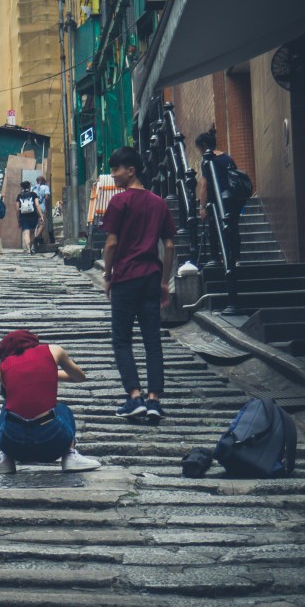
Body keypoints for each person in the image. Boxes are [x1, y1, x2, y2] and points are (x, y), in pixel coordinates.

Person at [101, 147, 177, 423]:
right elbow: (168, 245)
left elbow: (111, 243)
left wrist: (108, 274)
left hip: (126, 277)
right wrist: (164, 281)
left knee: (122, 340)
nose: (113, 174)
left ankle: (134, 397)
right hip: (150, 277)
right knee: (152, 341)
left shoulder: (119, 203)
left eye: (116, 169)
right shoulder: (159, 203)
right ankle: (154, 400)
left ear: (130, 170)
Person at [0, 330, 102, 474]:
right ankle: (70, 455)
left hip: (14, 444)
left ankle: (6, 458)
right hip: (53, 441)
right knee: (63, 409)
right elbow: (79, 377)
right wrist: (47, 371)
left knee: (7, 406)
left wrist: (44, 372)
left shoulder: (2, 370)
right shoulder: (54, 351)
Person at [194, 130, 243, 268]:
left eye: (199, 149)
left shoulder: (207, 161)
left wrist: (202, 207)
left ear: (204, 146)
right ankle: (235, 258)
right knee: (232, 227)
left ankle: (217, 258)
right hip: (232, 199)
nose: (200, 152)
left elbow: (204, 184)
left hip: (216, 201)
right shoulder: (227, 158)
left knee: (215, 228)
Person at [15, 180, 43, 254]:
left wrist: (18, 220)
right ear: (29, 186)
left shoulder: (19, 195)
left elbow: (17, 209)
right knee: (32, 232)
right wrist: (41, 215)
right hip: (33, 215)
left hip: (23, 216)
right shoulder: (34, 194)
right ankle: (31, 248)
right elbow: (37, 205)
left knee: (26, 233)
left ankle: (28, 249)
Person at [32, 175, 52, 247]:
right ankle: (36, 238)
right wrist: (47, 208)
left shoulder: (33, 188)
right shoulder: (46, 187)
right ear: (44, 181)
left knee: (37, 224)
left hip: (33, 208)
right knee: (42, 224)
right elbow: (46, 197)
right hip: (42, 208)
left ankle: (39, 243)